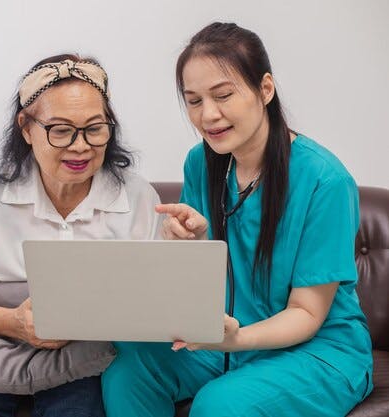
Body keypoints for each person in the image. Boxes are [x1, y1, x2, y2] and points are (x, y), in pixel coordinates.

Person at [102, 22, 373, 417]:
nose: (208, 115)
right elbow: (199, 282)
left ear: (265, 89)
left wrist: (235, 339)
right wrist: (189, 245)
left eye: (223, 95)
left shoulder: (325, 181)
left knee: (220, 404)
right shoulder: (201, 163)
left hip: (317, 351)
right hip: (229, 339)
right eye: (193, 101)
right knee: (127, 370)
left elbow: (308, 313)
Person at [0, 54, 161, 417]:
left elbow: (156, 300)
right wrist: (13, 323)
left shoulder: (137, 195)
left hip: (84, 356)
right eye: (61, 130)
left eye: (95, 128)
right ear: (26, 127)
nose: (80, 146)